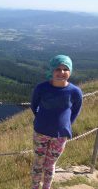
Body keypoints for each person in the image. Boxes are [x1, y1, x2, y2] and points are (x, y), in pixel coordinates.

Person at [30, 54, 83, 189]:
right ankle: (35, 187)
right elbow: (34, 105)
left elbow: (75, 111)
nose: (61, 72)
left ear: (70, 71)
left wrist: (65, 124)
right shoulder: (41, 88)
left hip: (60, 135)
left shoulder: (75, 92)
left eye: (65, 69)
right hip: (41, 132)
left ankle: (46, 187)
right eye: (57, 69)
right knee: (38, 163)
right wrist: (41, 118)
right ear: (51, 70)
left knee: (50, 165)